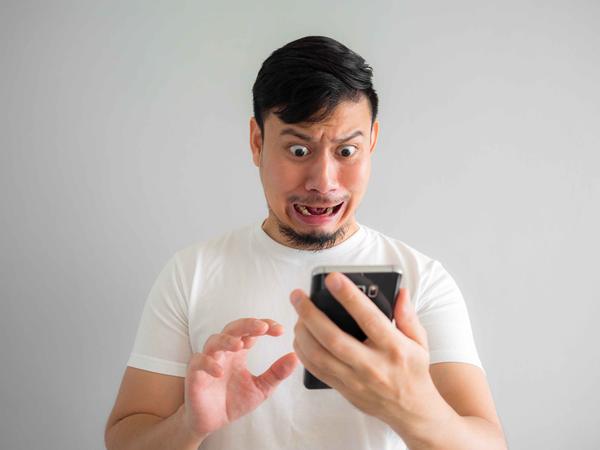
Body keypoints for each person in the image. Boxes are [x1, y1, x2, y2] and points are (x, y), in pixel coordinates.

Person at [104, 36, 507, 450]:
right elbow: (125, 438)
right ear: (257, 142)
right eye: (298, 150)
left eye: (346, 151)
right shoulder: (192, 273)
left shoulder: (423, 280)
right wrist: (190, 425)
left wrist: (410, 406)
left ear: (371, 142)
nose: (323, 182)